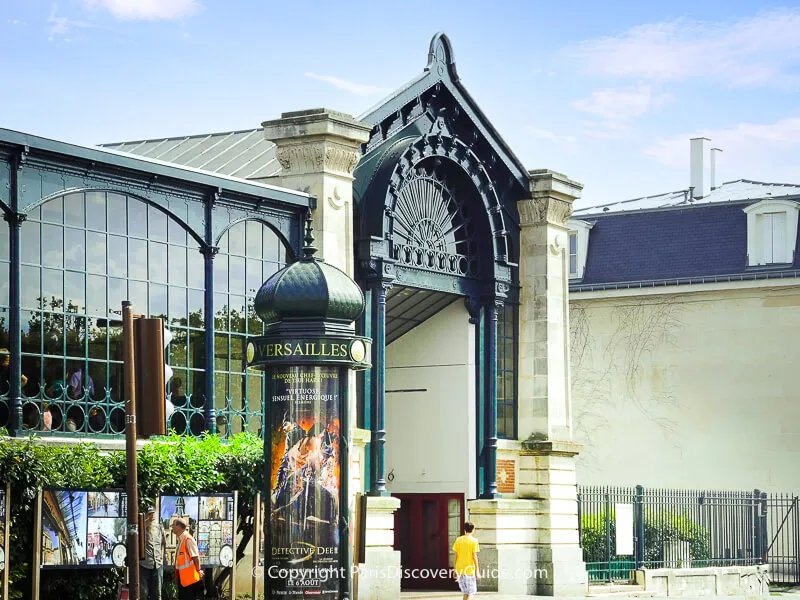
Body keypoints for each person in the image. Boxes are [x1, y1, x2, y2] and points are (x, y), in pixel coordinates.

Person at [172, 517, 204, 600]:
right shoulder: (181, 540)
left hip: (190, 580)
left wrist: (198, 570)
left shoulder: (188, 539)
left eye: (173, 525)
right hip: (184, 579)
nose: (172, 527)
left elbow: (196, 557)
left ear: (179, 527)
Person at [140, 507, 167, 600]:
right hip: (144, 564)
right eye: (150, 514)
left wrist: (162, 557)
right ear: (146, 516)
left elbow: (163, 543)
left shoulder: (159, 527)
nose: (152, 516)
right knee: (143, 592)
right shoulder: (142, 528)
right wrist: (145, 524)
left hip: (158, 564)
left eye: (153, 513)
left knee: (157, 593)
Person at [453, 521, 481, 600]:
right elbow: (474, 556)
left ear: (465, 529)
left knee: (465, 593)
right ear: (473, 529)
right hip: (469, 570)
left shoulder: (458, 540)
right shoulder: (474, 541)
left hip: (460, 570)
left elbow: (456, 556)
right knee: (471, 592)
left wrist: (455, 570)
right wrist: (477, 570)